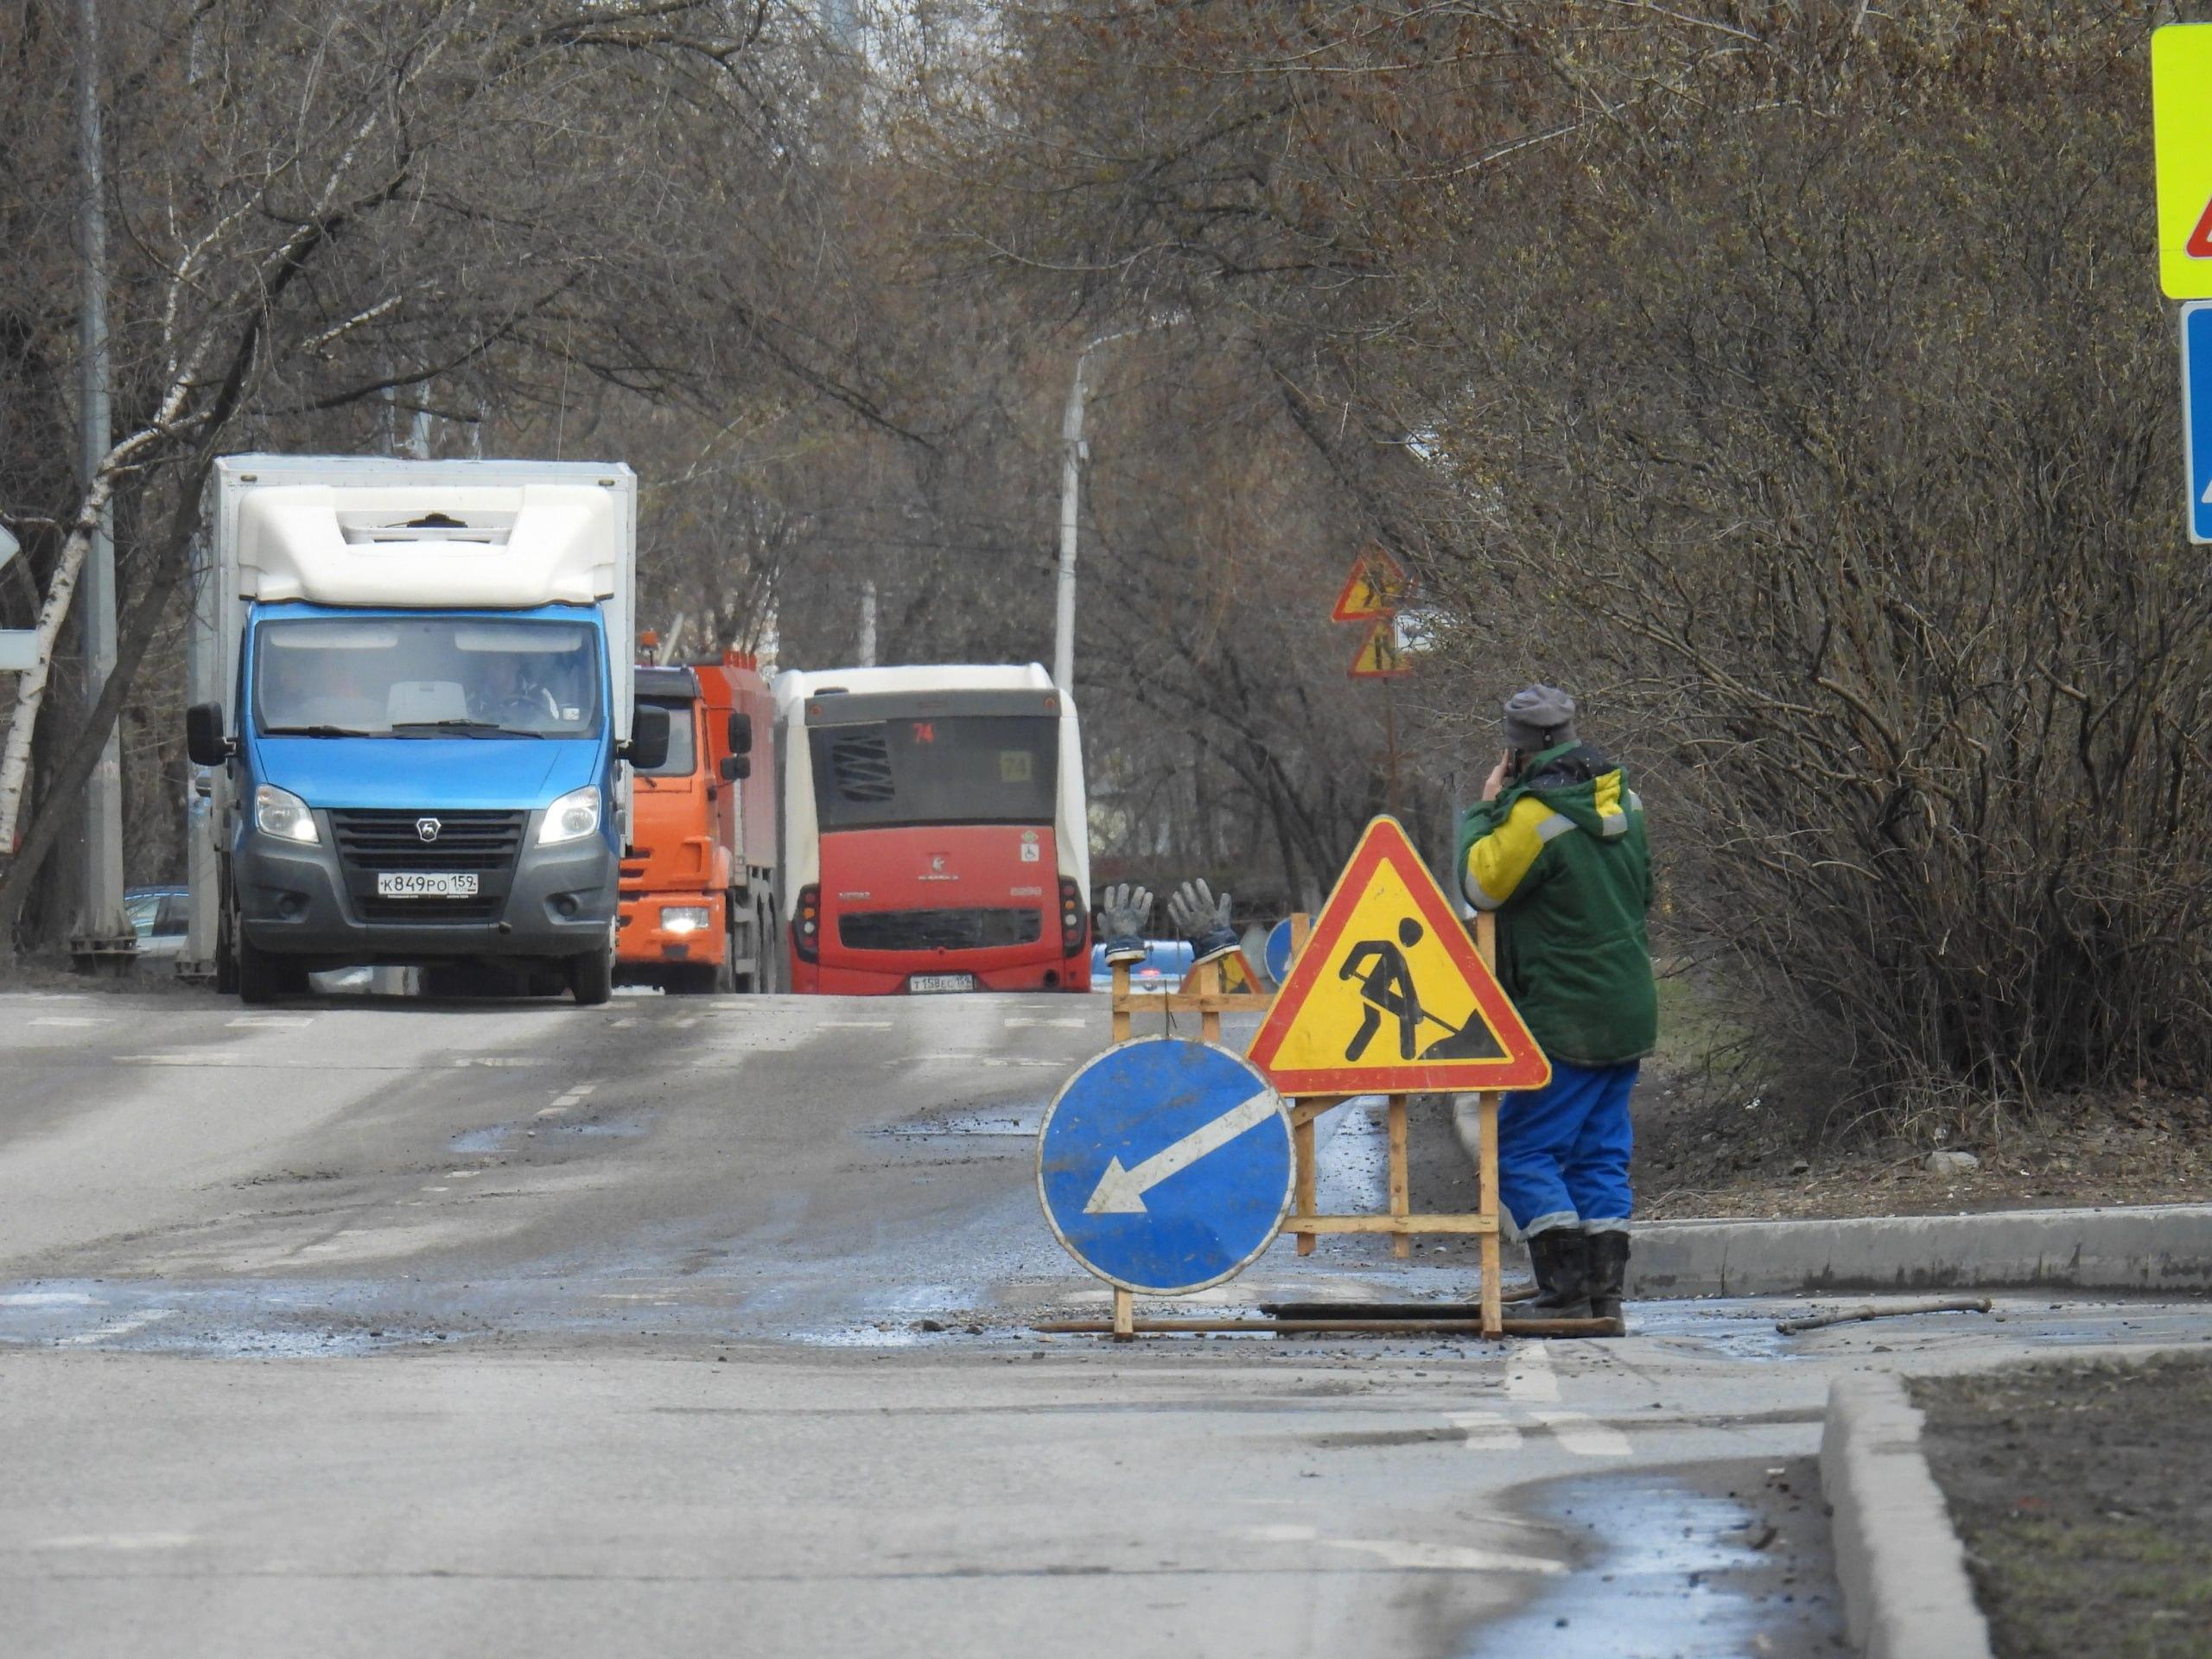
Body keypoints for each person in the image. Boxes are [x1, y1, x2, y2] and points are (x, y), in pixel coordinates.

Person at [1456, 684, 1656, 1331]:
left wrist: (1482, 812)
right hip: (1626, 1006)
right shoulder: (1626, 801)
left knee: (1521, 1150)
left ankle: (1564, 1289)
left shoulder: (1533, 819)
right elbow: (1645, 889)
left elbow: (1480, 886)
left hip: (1564, 1015)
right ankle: (1606, 1297)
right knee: (1599, 1153)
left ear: (1515, 753)